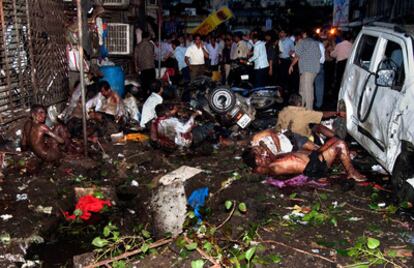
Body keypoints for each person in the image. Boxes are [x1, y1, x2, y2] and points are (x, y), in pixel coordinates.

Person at [243, 136, 366, 181]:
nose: (263, 154)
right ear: (258, 163)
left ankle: (343, 157)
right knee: (339, 144)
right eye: (259, 156)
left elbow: (272, 157)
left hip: (312, 158)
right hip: (315, 167)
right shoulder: (268, 168)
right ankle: (351, 173)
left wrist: (265, 149)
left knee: (333, 140)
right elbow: (260, 169)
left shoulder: (272, 160)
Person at [276, 94, 343, 138]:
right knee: (318, 126)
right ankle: (338, 139)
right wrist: (337, 113)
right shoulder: (303, 112)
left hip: (286, 138)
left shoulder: (283, 111)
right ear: (299, 103)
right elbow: (323, 114)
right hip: (301, 140)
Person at [289, 29, 321, 109]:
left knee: (307, 90)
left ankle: (309, 110)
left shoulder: (302, 42)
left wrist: (291, 65)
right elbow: (319, 55)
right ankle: (302, 107)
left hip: (306, 69)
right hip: (313, 69)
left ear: (305, 34)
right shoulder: (316, 43)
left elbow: (297, 55)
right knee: (302, 90)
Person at [331, 31, 353, 101]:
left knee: (338, 80)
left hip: (340, 64)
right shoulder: (352, 45)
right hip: (349, 64)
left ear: (342, 37)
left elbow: (333, 55)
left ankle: (337, 97)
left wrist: (330, 51)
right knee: (346, 80)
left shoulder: (339, 45)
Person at [314, 36, 326, 109]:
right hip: (320, 65)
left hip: (312, 65)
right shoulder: (321, 45)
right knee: (319, 86)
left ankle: (309, 101)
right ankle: (319, 104)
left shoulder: (311, 45)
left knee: (309, 84)